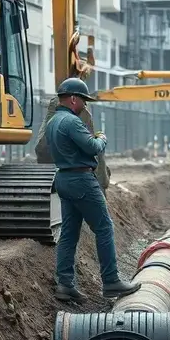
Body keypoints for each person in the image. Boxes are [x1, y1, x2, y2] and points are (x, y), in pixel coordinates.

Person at [44, 77, 141, 302]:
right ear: (73, 99)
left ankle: (65, 284)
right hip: (81, 180)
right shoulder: (71, 122)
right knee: (105, 227)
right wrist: (102, 138)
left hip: (64, 179)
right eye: (84, 101)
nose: (85, 106)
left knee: (68, 234)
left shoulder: (52, 122)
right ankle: (111, 282)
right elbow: (93, 147)